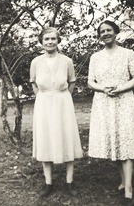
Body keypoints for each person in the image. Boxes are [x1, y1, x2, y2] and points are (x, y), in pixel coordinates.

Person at [88, 20, 134, 206]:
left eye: (108, 30)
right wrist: (103, 89)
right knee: (114, 140)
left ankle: (129, 188)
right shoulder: (95, 57)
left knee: (126, 140)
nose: (105, 33)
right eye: (102, 31)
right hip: (103, 102)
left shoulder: (128, 54)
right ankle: (123, 181)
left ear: (116, 32)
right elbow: (91, 81)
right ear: (99, 36)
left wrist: (121, 88)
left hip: (124, 102)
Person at [30, 27, 83, 198]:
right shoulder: (36, 62)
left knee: (66, 136)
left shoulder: (67, 61)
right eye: (46, 39)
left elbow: (72, 81)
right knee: (46, 138)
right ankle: (48, 183)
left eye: (53, 38)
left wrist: (63, 97)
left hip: (63, 102)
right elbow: (33, 83)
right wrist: (42, 97)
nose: (50, 42)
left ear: (58, 41)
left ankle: (69, 181)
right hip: (43, 103)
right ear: (42, 42)